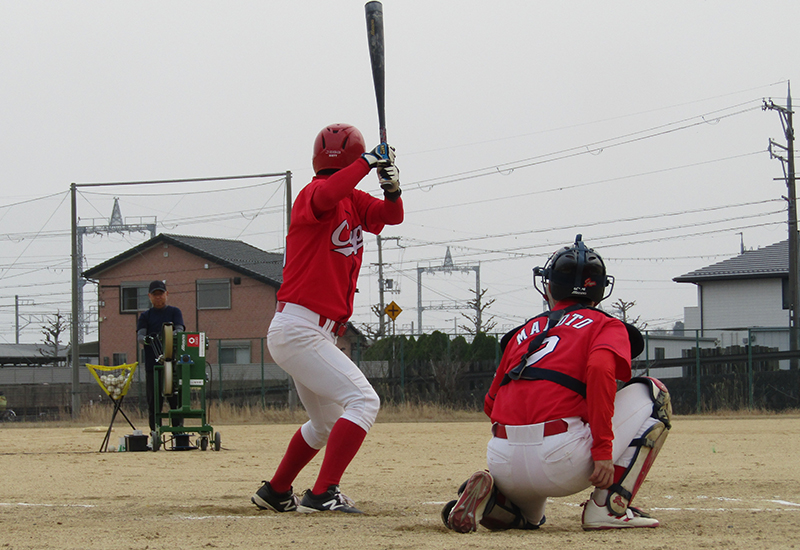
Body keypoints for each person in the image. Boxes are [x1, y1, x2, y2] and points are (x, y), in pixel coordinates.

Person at [441, 235, 672, 532]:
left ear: (549, 285)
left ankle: (500, 501)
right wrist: (601, 450)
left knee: (530, 520)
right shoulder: (605, 324)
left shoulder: (525, 331)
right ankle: (608, 507)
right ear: (600, 289)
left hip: (502, 458)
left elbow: (491, 404)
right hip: (561, 459)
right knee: (653, 393)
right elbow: (601, 371)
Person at [251, 123, 403, 514]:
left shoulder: (353, 198)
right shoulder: (313, 194)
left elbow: (391, 216)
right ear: (355, 158)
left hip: (311, 334)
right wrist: (369, 163)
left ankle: (277, 490)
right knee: (364, 401)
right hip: (301, 328)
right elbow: (329, 192)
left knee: (324, 423)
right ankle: (322, 493)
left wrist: (392, 186)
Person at [137, 280, 185, 432]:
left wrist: (169, 337)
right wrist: (147, 339)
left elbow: (180, 329)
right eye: (155, 295)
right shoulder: (145, 316)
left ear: (167, 294)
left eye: (161, 294)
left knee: (175, 400)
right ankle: (155, 431)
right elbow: (140, 335)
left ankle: (178, 433)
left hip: (174, 365)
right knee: (154, 401)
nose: (158, 297)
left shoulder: (174, 312)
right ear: (149, 296)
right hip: (153, 366)